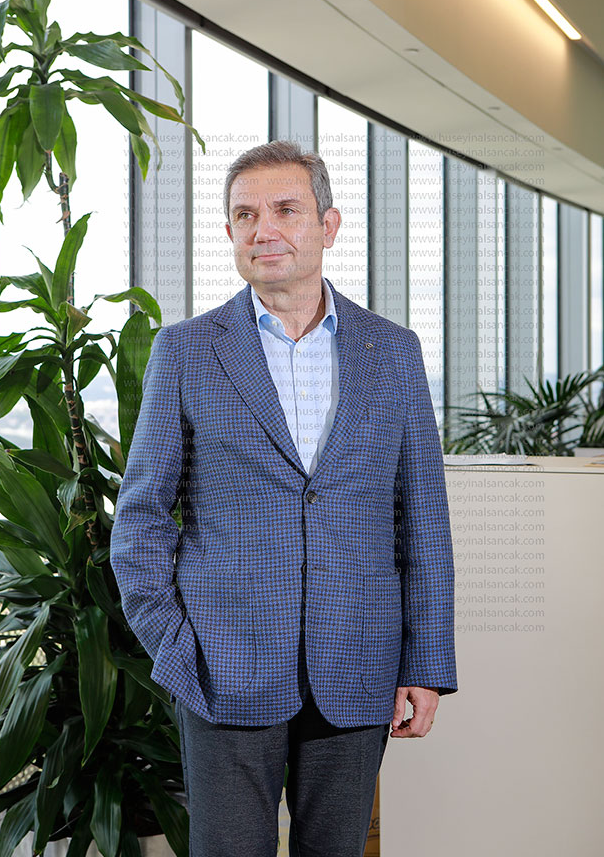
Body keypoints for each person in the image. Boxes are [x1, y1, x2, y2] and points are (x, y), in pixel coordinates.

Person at [110, 140, 458, 857]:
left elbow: (421, 519)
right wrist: (175, 648)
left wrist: (426, 663)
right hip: (222, 666)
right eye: (244, 215)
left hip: (358, 660)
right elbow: (141, 517)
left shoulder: (393, 352)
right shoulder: (186, 351)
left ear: (328, 226)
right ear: (229, 233)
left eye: (285, 210)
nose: (262, 229)